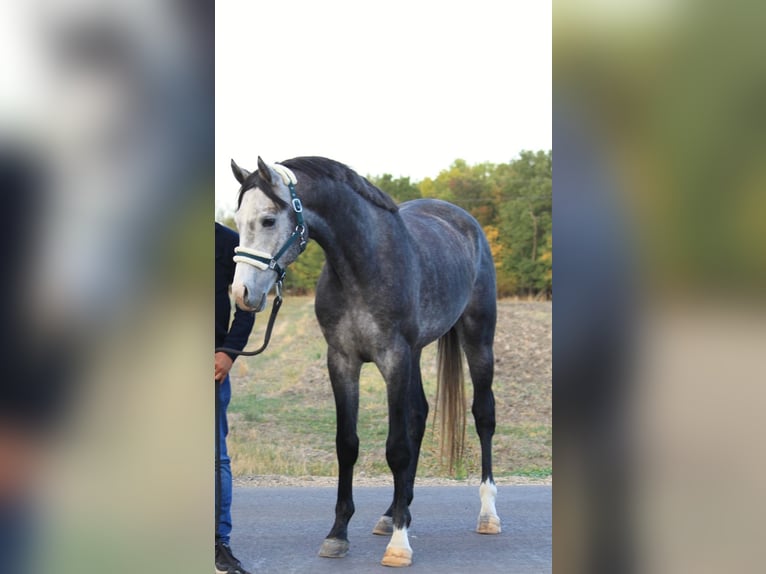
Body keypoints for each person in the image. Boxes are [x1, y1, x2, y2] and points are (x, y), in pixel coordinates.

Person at [215, 222, 255, 574]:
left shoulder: (229, 242)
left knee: (214, 459)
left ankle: (218, 545)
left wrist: (229, 351)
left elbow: (248, 300)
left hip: (208, 363)